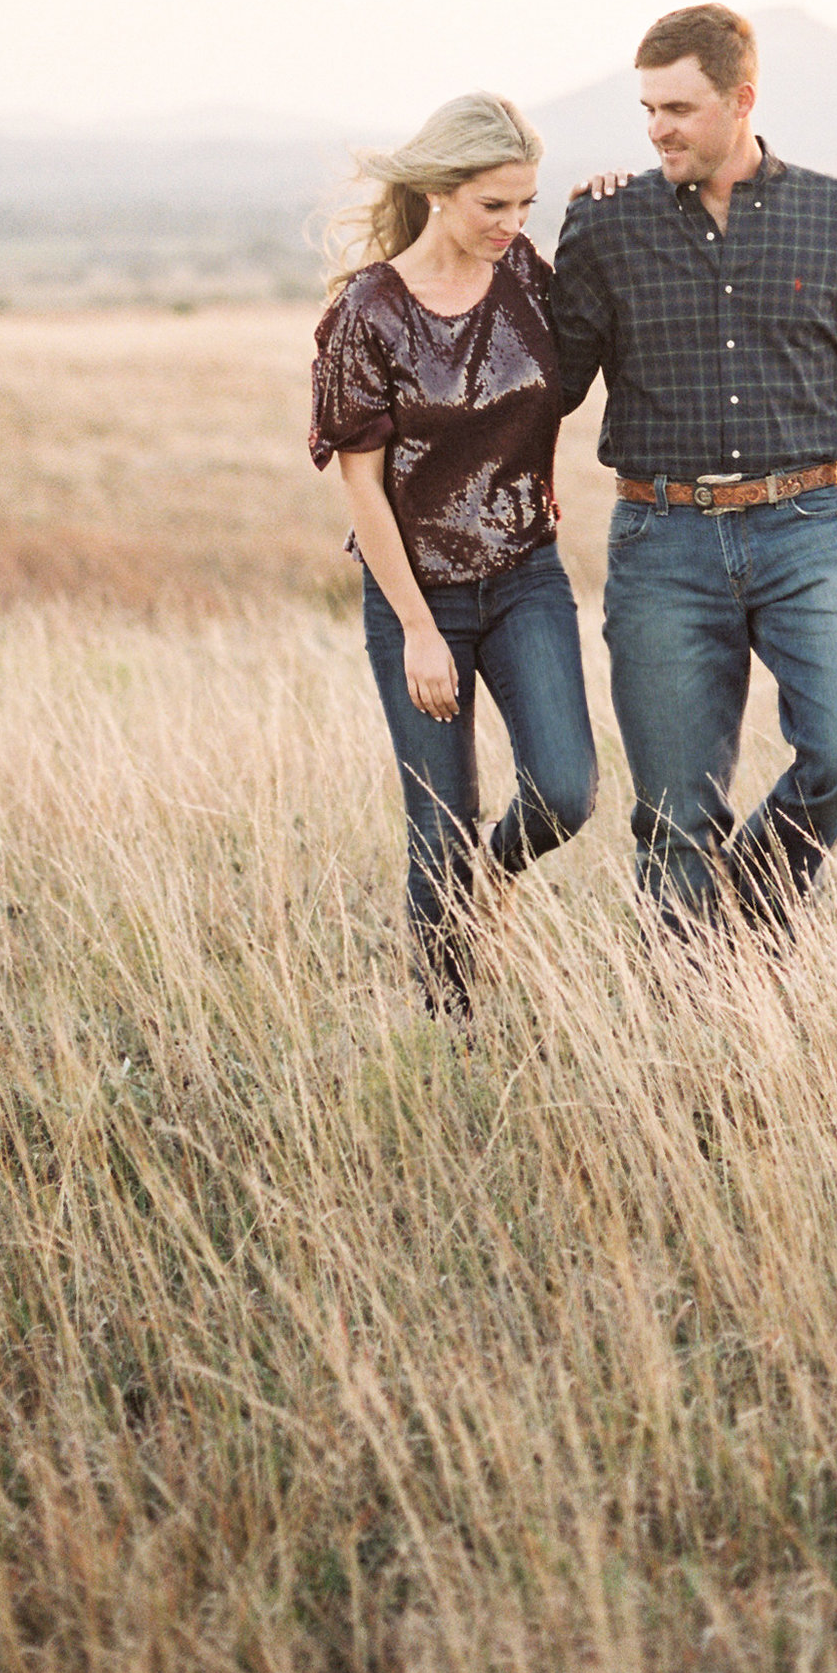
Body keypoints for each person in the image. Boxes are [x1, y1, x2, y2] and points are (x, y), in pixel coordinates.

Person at [552, 3, 837, 940]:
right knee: (675, 816)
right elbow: (550, 388)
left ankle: (751, 906)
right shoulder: (607, 225)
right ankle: (699, 1008)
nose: (657, 129)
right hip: (662, 543)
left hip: (805, 530)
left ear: (741, 101)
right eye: (648, 110)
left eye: (678, 109)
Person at [310, 94, 597, 1012]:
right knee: (439, 831)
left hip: (526, 576)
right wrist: (418, 630)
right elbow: (364, 488)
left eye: (527, 204)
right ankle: (454, 1032)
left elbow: (591, 344)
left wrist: (608, 210)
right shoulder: (370, 311)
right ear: (439, 191)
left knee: (565, 791)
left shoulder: (527, 280)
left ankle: (494, 878)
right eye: (493, 205)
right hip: (418, 593)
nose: (513, 225)